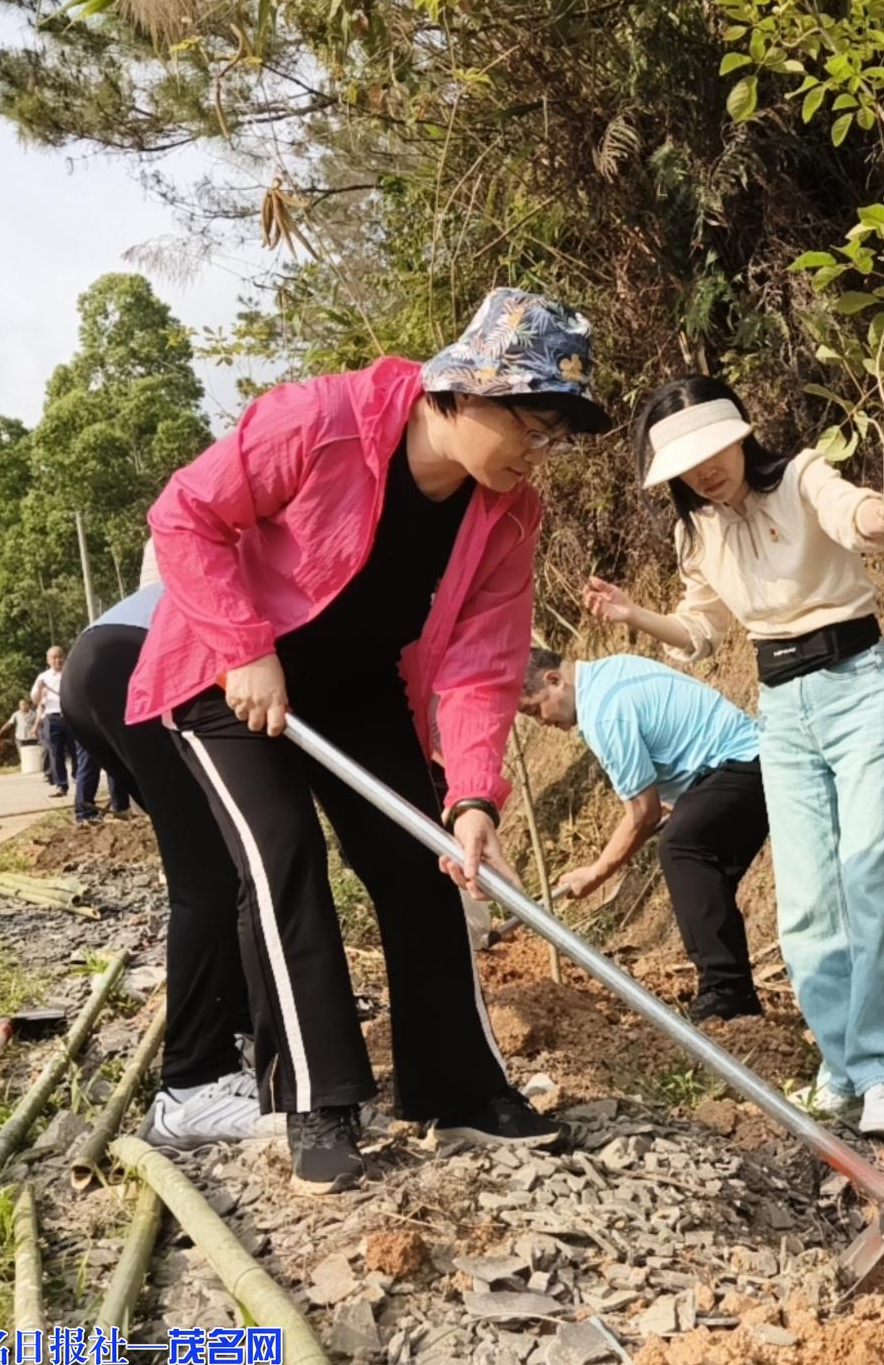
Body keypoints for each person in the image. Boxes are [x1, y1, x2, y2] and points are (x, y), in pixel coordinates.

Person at [125, 288, 611, 1195]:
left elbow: (482, 659)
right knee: (283, 856)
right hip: (227, 679)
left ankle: (456, 1086)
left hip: (357, 689)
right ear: (466, 392)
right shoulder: (323, 421)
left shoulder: (506, 514)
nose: (539, 454)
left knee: (422, 859)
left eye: (555, 438)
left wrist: (471, 796)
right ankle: (316, 1099)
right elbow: (185, 516)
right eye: (531, 426)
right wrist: (245, 646)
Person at [583, 376, 884, 1144]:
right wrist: (632, 615)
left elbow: (851, 509)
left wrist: (883, 519)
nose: (704, 473)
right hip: (780, 706)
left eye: (712, 452)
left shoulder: (800, 476)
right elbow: (700, 629)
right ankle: (842, 1065)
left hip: (857, 683)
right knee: (806, 905)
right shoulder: (696, 532)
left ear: (741, 434)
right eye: (685, 466)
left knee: (872, 877)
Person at [62, 578, 276, 1147]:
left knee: (222, 863)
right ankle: (192, 1085)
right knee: (210, 873)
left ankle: (226, 1039)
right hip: (140, 659)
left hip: (105, 657)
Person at [519, 646, 768, 1021]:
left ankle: (726, 993)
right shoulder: (612, 670)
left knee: (682, 848)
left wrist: (596, 872)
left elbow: (642, 811)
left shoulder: (603, 713)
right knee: (701, 866)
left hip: (742, 766)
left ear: (554, 681)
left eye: (535, 709)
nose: (541, 722)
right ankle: (734, 996)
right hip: (741, 766)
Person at [32, 646, 74, 796]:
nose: (58, 660)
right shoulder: (43, 677)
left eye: (60, 656)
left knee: (75, 750)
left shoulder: (71, 673)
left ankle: (78, 777)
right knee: (55, 753)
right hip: (52, 717)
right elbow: (35, 700)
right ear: (48, 660)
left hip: (70, 716)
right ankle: (61, 785)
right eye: (54, 657)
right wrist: (39, 689)